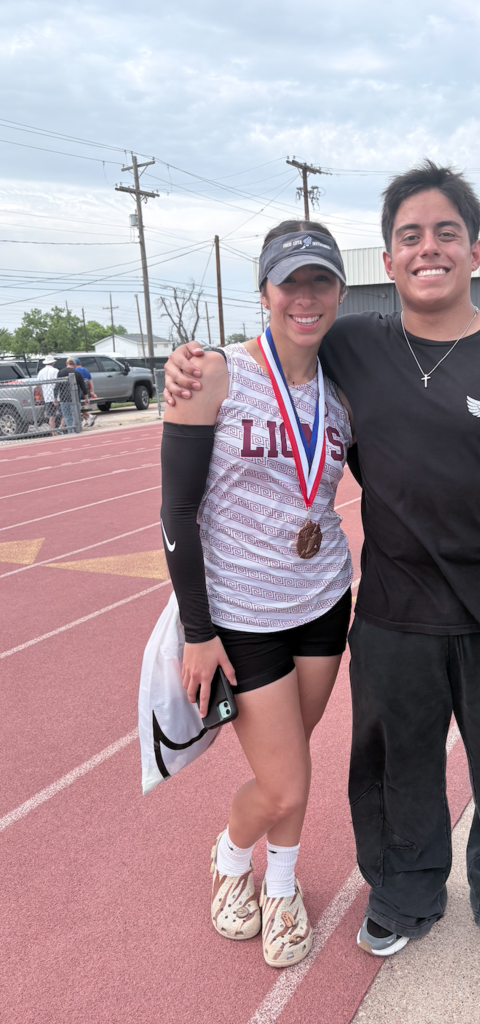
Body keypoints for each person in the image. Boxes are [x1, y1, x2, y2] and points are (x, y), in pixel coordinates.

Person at [164, 161, 480, 976]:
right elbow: (277, 334)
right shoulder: (354, 343)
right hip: (392, 611)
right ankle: (403, 894)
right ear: (387, 259)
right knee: (394, 764)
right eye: (410, 236)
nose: (428, 248)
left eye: (446, 234)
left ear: (476, 250)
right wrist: (188, 359)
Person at [160, 221, 354, 967]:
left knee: (293, 761)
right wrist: (196, 628)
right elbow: (177, 511)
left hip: (324, 600)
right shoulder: (212, 373)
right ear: (265, 291)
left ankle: (280, 884)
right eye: (290, 282)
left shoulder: (342, 391)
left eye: (320, 282)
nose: (305, 297)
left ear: (339, 291)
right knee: (282, 783)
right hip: (241, 619)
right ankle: (233, 858)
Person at [55, 357, 88, 433]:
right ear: (75, 365)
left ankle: (70, 432)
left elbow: (57, 386)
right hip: (75, 399)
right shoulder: (78, 374)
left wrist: (55, 398)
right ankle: (75, 431)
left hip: (64, 399)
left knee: (67, 417)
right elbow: (84, 387)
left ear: (66, 364)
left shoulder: (60, 373)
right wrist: (86, 398)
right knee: (75, 416)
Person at [37, 353, 59, 430]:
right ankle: (61, 429)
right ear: (52, 363)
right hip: (56, 396)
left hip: (47, 397)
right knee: (63, 414)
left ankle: (53, 432)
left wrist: (42, 394)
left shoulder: (40, 372)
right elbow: (58, 383)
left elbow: (38, 385)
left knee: (51, 417)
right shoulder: (55, 370)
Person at [74, 358, 96, 427]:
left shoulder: (75, 371)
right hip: (86, 391)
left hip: (78, 391)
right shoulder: (86, 370)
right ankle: (86, 421)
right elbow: (90, 382)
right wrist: (92, 391)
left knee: (79, 407)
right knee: (83, 407)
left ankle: (90, 416)